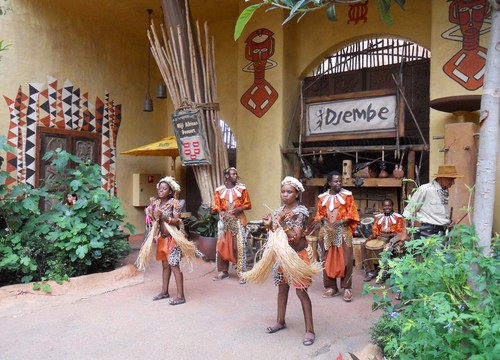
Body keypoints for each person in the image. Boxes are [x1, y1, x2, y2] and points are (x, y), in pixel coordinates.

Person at [262, 176, 316, 346]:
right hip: (283, 256)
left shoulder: (301, 212)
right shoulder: (280, 211)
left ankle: (309, 330)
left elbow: (295, 237)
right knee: (282, 289)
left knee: (301, 292)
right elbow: (275, 231)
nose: (285, 194)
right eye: (283, 191)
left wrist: (284, 222)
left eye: (289, 192)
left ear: (297, 194)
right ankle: (280, 321)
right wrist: (269, 225)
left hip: (299, 255)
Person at [314, 171, 360, 302]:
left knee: (346, 260)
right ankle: (331, 287)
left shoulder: (347, 196)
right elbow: (319, 214)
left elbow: (353, 214)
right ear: (329, 183)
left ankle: (347, 288)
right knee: (327, 260)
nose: (339, 183)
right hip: (328, 232)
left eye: (340, 181)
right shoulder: (322, 198)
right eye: (336, 181)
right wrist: (322, 221)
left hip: (344, 232)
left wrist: (340, 221)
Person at [144, 176, 186, 305]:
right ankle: (164, 291)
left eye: (165, 188)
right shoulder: (156, 203)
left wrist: (164, 217)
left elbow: (177, 221)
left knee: (174, 265)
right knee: (165, 266)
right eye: (160, 188)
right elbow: (153, 217)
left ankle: (180, 296)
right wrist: (149, 212)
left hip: (173, 238)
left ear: (170, 191)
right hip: (162, 237)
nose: (161, 190)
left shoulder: (175, 203)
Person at [399, 164, 463, 242]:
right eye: (450, 179)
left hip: (442, 233)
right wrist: (404, 233)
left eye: (453, 179)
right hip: (427, 234)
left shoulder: (444, 191)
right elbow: (408, 211)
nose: (453, 182)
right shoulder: (425, 189)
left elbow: (436, 213)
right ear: (441, 177)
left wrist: (448, 221)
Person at [212, 167, 252, 283]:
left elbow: (248, 204)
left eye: (235, 174)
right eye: (233, 174)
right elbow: (216, 205)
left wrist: (239, 209)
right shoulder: (219, 191)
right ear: (227, 176)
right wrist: (220, 213)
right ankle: (223, 271)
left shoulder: (242, 189)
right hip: (225, 222)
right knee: (222, 247)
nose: (235, 176)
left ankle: (242, 273)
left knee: (238, 247)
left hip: (238, 221)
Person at [361, 199, 403, 283]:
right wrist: (377, 234)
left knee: (387, 249)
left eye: (389, 205)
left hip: (392, 238)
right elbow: (375, 229)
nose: (387, 207)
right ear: (382, 207)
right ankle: (369, 271)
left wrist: (389, 235)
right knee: (363, 246)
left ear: (392, 206)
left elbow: (399, 231)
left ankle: (382, 273)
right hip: (379, 237)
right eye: (385, 206)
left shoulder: (398, 217)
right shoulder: (379, 217)